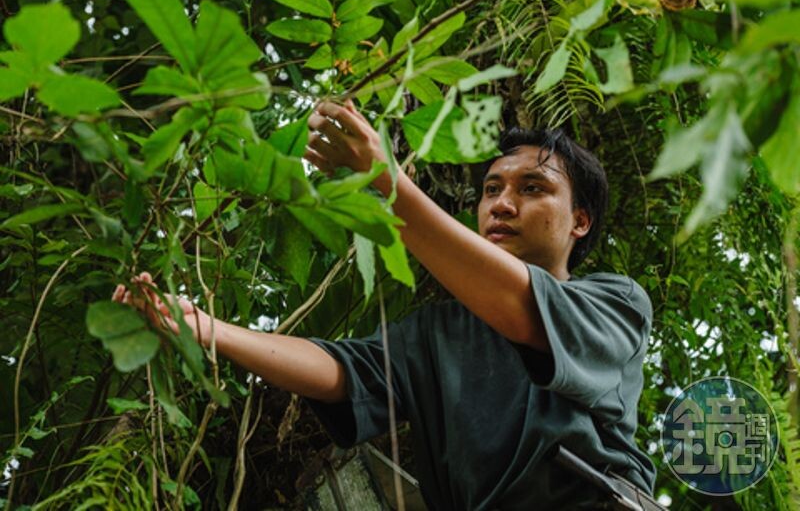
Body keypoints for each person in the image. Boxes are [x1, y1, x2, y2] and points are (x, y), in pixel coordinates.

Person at [114, 100, 656, 509]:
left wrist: (388, 185)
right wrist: (211, 329)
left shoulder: (614, 303)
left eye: (533, 188)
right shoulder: (435, 332)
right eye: (491, 190)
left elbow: (521, 308)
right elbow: (340, 372)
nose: (502, 204)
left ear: (579, 221)